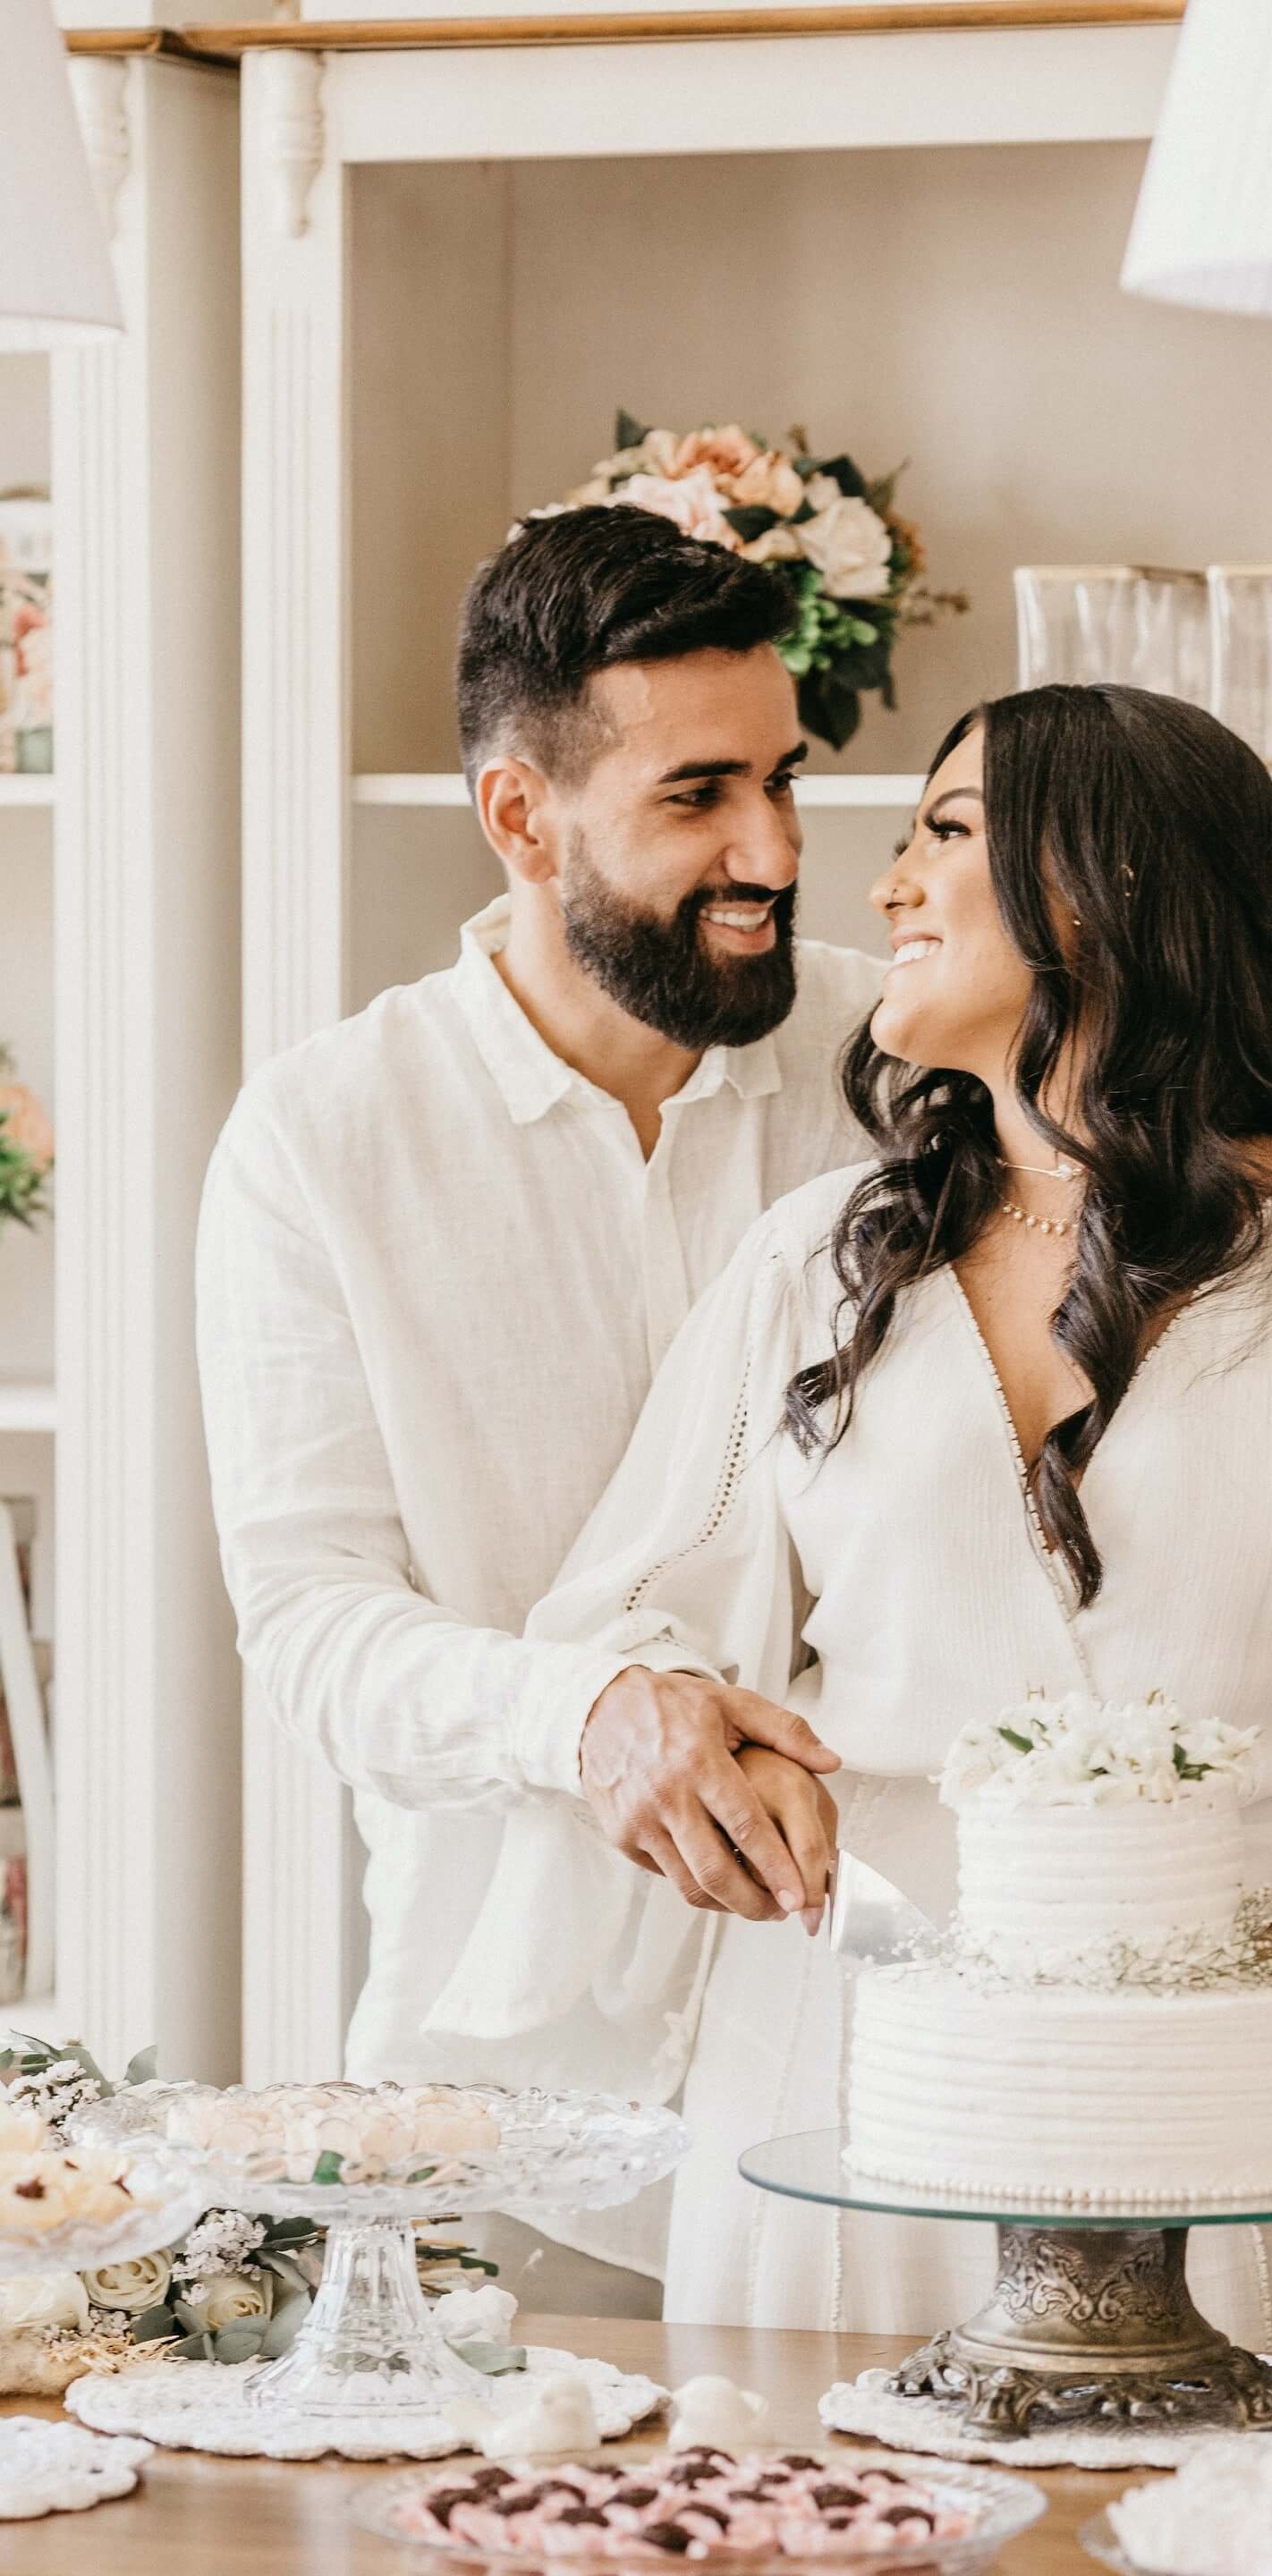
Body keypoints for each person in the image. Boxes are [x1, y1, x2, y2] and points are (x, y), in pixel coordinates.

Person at [432, 681, 1272, 2346]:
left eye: (945, 833)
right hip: (836, 2060)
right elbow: (634, 1610)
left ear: (1094, 891)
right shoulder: (818, 1262)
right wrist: (675, 1727)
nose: (882, 886)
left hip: (1202, 2077)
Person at [196, 504, 881, 2309]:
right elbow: (310, 1620)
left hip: (866, 2062)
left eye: (788, 784)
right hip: (502, 2113)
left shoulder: (897, 1070)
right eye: (699, 797)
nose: (775, 852)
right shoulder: (322, 1140)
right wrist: (591, 1715)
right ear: (520, 816)